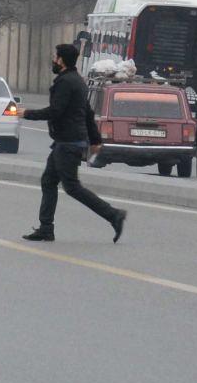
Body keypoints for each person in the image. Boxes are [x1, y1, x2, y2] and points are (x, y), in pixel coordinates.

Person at [19, 43, 127, 243]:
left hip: (68, 143)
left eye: (55, 56)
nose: (53, 60)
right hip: (67, 142)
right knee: (49, 181)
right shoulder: (76, 81)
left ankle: (113, 215)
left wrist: (26, 113)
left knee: (72, 187)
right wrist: (95, 139)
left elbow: (55, 111)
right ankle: (46, 228)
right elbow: (87, 113)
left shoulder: (66, 82)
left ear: (61, 60)